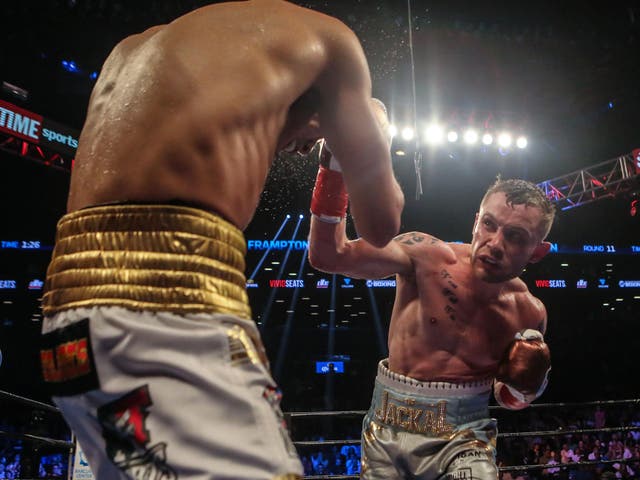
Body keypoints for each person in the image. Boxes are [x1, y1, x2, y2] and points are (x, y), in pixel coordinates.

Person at [38, 1, 404, 479]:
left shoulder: (140, 48)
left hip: (67, 320)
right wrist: (345, 151)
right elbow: (380, 225)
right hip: (165, 305)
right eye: (314, 136)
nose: (300, 148)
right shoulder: (332, 44)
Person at [308, 168, 555, 478]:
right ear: (476, 221)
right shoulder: (426, 257)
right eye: (489, 225)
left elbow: (507, 397)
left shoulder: (530, 314)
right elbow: (329, 255)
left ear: (538, 251)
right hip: (387, 432)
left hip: (464, 437)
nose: (494, 243)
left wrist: (530, 386)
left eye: (515, 236)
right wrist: (335, 169)